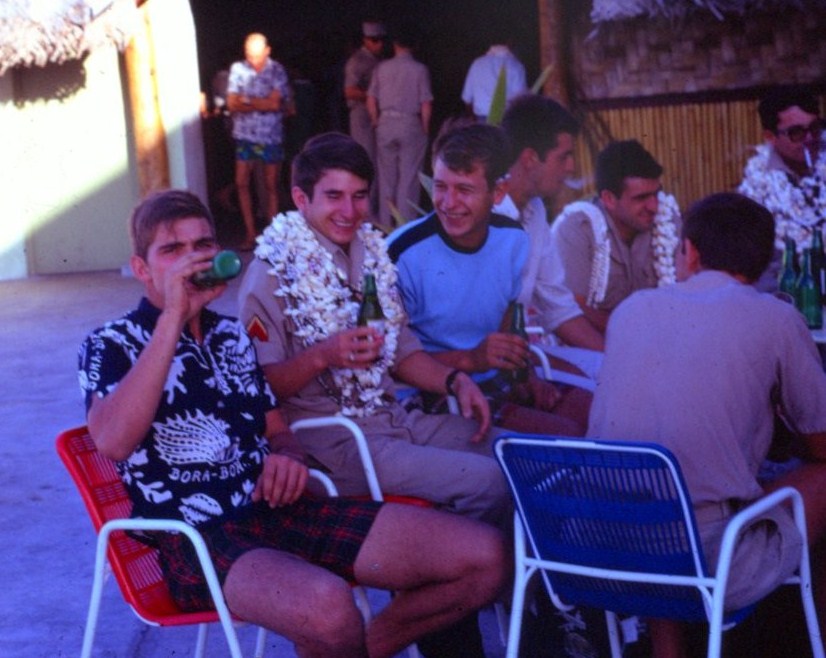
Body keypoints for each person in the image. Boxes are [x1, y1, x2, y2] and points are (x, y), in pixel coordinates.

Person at [77, 188, 507, 658]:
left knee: (485, 557)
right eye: (172, 250)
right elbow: (113, 441)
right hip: (198, 537)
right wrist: (173, 318)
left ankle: (362, 649)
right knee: (329, 608)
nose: (191, 260)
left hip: (280, 512)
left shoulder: (230, 336)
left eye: (202, 245)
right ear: (142, 269)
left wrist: (286, 455)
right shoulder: (111, 343)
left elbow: (277, 430)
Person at [588, 192, 826, 657]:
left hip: (601, 554)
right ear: (763, 263)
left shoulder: (632, 309)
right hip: (703, 564)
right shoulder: (777, 317)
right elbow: (821, 446)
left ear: (691, 252)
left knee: (665, 493)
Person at [388, 123, 591, 436]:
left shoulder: (513, 238)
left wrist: (527, 375)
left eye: (464, 190)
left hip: (493, 380)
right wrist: (470, 360)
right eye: (440, 187)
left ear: (498, 193)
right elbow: (390, 358)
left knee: (595, 410)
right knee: (564, 435)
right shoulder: (403, 252)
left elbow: (508, 316)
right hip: (434, 392)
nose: (448, 203)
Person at [496, 93, 605, 355]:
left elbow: (559, 309)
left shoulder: (534, 211)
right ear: (530, 158)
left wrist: (616, 361)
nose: (571, 167)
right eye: (563, 157)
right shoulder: (484, 213)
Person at [549, 139, 681, 334]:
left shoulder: (667, 221)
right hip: (597, 345)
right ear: (609, 199)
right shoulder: (578, 228)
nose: (653, 206)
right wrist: (635, 335)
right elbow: (572, 308)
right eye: (641, 198)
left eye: (656, 194)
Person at [738, 85, 826, 292]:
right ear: (770, 137)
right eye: (797, 133)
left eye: (815, 128)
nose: (810, 139)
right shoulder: (756, 186)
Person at [227, 33, 292, 250]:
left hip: (270, 135)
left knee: (271, 184)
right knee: (241, 182)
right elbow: (231, 103)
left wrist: (246, 100)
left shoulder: (277, 70)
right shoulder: (238, 69)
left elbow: (275, 104)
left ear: (267, 51)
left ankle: (273, 235)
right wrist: (262, 102)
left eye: (257, 55)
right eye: (249, 55)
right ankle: (250, 233)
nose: (253, 60)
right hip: (244, 135)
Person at [367, 24, 433, 227]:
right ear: (414, 46)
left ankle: (385, 225)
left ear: (394, 44)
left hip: (386, 123)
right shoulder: (420, 69)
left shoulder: (381, 68)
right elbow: (425, 103)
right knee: (409, 177)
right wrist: (425, 127)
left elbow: (371, 98)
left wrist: (375, 120)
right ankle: (405, 226)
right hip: (410, 123)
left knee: (386, 178)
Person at [461, 40, 527, 121]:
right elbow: (520, 100)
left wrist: (472, 119)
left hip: (481, 119)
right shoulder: (516, 66)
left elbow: (467, 99)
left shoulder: (477, 63)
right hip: (505, 119)